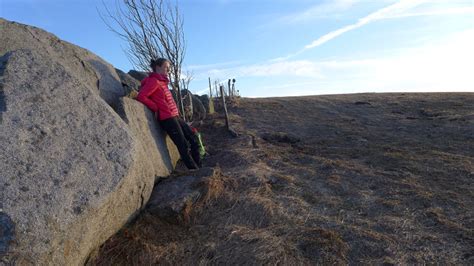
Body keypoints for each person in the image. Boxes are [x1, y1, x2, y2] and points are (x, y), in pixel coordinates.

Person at [137, 58, 201, 169]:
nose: (168, 70)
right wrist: (155, 107)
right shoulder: (153, 81)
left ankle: (200, 166)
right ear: (158, 67)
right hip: (167, 118)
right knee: (183, 144)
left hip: (175, 116)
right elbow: (141, 96)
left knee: (193, 137)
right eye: (166, 67)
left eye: (168, 68)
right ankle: (194, 170)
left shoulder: (162, 82)